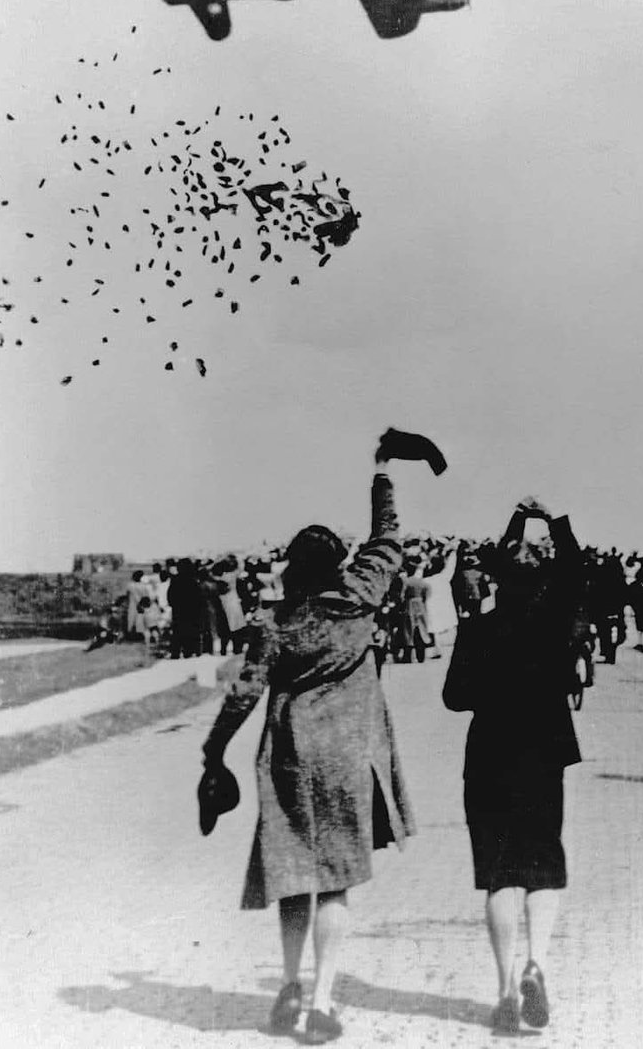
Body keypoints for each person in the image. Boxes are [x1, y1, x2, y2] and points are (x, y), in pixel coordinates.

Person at [199, 435, 423, 1044]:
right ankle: (322, 1002)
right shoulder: (362, 596)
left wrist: (213, 751)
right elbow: (388, 538)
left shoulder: (275, 621)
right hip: (349, 759)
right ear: (339, 564)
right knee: (337, 882)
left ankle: (289, 984)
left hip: (289, 759)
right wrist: (381, 471)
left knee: (295, 875)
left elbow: (244, 693)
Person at [442, 496, 585, 1034]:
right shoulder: (555, 619)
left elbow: (454, 697)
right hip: (544, 754)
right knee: (543, 863)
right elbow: (574, 571)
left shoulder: (478, 627)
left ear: (496, 580)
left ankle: (504, 990)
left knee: (499, 873)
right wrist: (552, 518)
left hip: (489, 757)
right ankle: (536, 963)